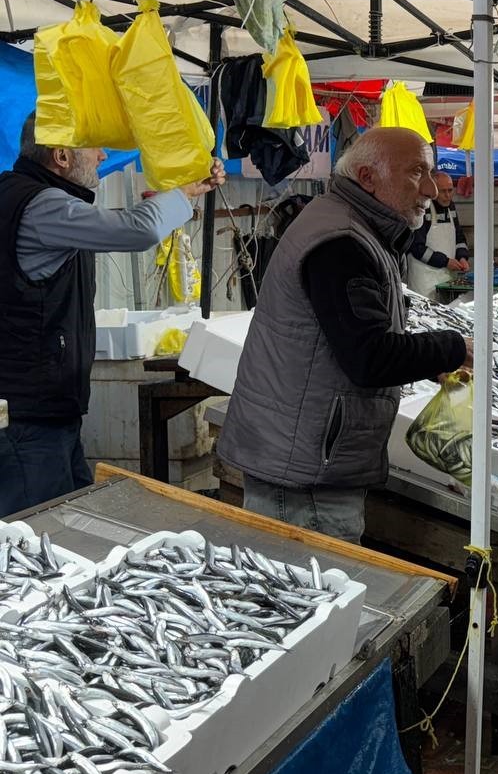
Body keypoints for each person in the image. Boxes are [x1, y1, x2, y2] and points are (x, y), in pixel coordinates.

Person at [218, 128, 471, 542]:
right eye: (416, 173)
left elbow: (349, 335)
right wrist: (452, 349)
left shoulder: (351, 225)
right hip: (305, 473)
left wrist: (430, 364)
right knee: (307, 592)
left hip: (306, 455)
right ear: (368, 178)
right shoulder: (341, 242)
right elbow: (368, 357)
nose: (429, 188)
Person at [0, 114, 223, 516]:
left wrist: (182, 194)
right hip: (28, 416)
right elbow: (135, 231)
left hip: (45, 410)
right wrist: (184, 191)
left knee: (68, 523)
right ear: (62, 156)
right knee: (37, 535)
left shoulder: (31, 197)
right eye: (94, 146)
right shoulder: (41, 205)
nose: (103, 154)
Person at [406, 170, 470, 298]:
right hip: (423, 281)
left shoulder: (451, 207)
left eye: (450, 190)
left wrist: (462, 257)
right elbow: (416, 247)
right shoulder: (422, 208)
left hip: (447, 278)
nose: (447, 195)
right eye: (443, 191)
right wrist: (445, 261)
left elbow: (459, 238)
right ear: (433, 191)